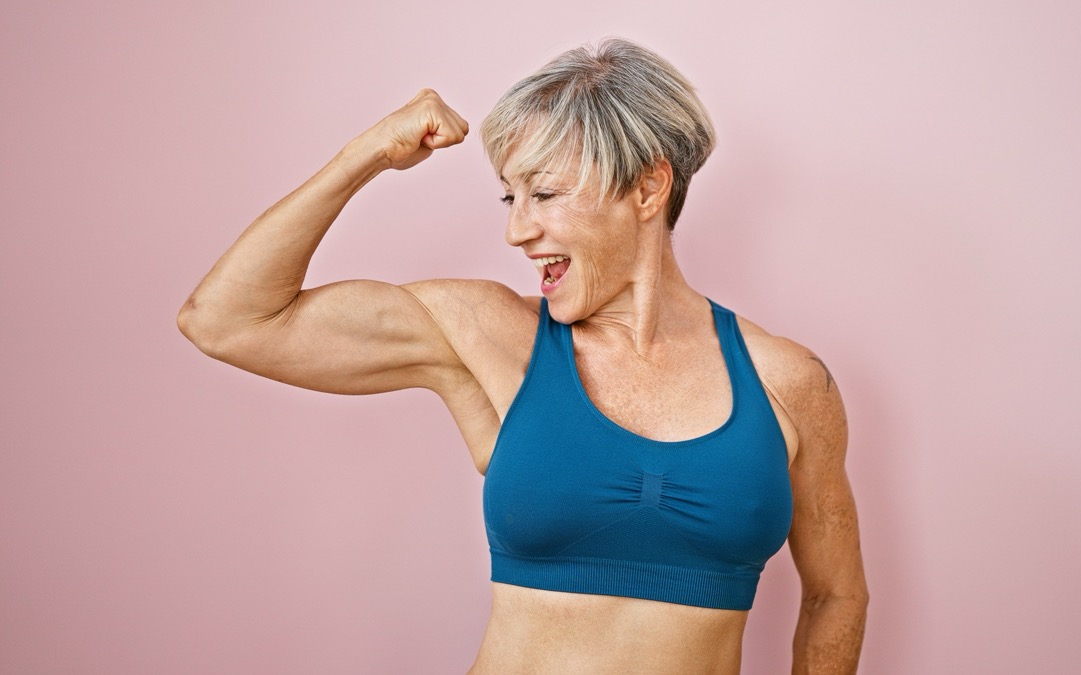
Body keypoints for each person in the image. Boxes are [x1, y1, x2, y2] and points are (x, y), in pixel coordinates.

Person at [178, 38, 867, 674]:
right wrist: (369, 153)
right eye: (511, 196)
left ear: (649, 188)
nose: (516, 230)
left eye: (544, 193)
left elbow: (835, 595)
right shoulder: (486, 332)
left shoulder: (788, 382)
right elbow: (226, 320)